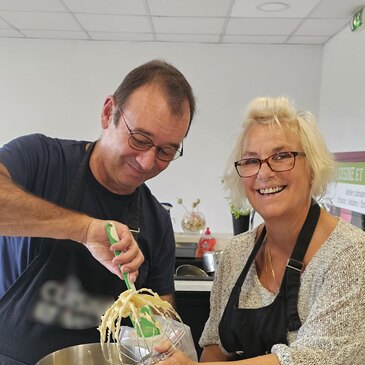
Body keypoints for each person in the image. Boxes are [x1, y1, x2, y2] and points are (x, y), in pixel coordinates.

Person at [0, 59, 196, 364]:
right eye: (140, 139)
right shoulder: (40, 160)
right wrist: (85, 230)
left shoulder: (156, 221)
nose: (147, 163)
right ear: (108, 113)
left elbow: (161, 320)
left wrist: (163, 339)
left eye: (166, 151)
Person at [156, 96, 365, 365]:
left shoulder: (350, 255)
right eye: (251, 160)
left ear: (312, 167)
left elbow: (314, 360)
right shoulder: (236, 253)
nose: (263, 173)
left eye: (281, 156)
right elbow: (215, 349)